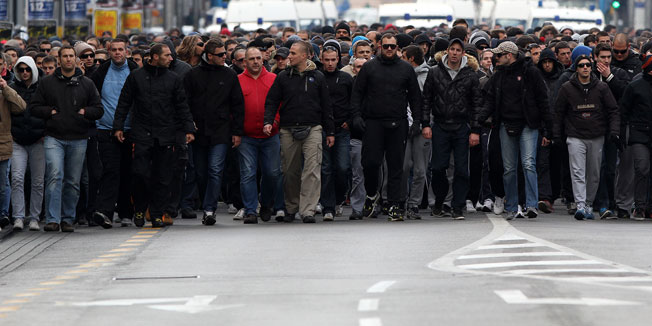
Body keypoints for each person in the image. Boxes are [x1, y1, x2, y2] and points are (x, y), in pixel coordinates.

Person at [113, 43, 195, 228]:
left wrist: (188, 129)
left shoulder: (173, 79)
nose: (171, 58)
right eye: (167, 55)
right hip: (142, 133)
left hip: (166, 134)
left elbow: (182, 106)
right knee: (140, 174)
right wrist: (118, 126)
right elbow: (124, 103)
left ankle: (157, 213)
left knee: (163, 176)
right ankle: (140, 209)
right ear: (155, 57)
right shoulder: (136, 77)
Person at [350, 33, 425, 221]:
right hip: (373, 123)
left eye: (392, 46)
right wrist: (356, 116)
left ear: (397, 48)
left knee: (396, 167)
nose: (389, 49)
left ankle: (394, 205)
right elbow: (357, 94)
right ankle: (372, 194)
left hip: (397, 123)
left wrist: (417, 121)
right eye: (386, 46)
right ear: (380, 48)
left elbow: (415, 98)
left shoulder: (406, 69)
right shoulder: (369, 68)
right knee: (370, 163)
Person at [29, 45, 103, 232]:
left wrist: (85, 112)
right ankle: (53, 218)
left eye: (71, 56)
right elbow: (35, 107)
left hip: (79, 137)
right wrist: (49, 112)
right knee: (54, 176)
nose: (68, 59)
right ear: (59, 60)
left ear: (75, 59)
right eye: (65, 56)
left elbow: (98, 109)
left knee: (72, 180)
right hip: (55, 137)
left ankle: (68, 218)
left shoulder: (86, 83)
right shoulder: (47, 83)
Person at [475, 41, 552, 220]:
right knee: (509, 168)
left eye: (499, 55)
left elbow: (543, 100)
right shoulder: (499, 75)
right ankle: (511, 205)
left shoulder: (530, 72)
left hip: (528, 124)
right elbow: (489, 100)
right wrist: (479, 120)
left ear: (509, 55)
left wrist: (548, 128)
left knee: (528, 164)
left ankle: (531, 205)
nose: (496, 59)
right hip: (505, 124)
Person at [264, 41, 334, 223]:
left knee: (312, 170)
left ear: (305, 56)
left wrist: (330, 132)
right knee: (289, 171)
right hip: (288, 129)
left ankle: (308, 210)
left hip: (313, 129)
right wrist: (268, 121)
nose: (290, 57)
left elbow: (327, 106)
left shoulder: (318, 77)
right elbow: (272, 101)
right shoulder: (282, 77)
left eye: (293, 53)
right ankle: (291, 207)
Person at [184, 39, 244, 226]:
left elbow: (238, 104)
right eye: (220, 55)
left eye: (225, 53)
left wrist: (237, 131)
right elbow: (184, 103)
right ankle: (206, 203)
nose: (224, 57)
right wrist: (188, 127)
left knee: (215, 170)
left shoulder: (229, 75)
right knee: (201, 173)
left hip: (221, 130)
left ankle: (210, 209)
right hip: (199, 131)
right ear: (209, 56)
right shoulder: (193, 75)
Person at [553, 54, 620, 220]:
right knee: (577, 171)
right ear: (576, 68)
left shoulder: (601, 88)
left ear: (592, 68)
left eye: (588, 65)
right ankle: (581, 204)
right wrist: (556, 135)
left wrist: (614, 131)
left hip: (597, 135)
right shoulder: (567, 88)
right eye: (581, 65)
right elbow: (558, 113)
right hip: (575, 135)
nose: (585, 68)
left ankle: (589, 203)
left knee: (594, 173)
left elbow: (613, 110)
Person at [424, 39, 482, 220]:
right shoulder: (434, 72)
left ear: (463, 53)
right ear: (447, 51)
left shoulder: (470, 75)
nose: (455, 53)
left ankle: (458, 205)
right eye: (452, 50)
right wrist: (426, 124)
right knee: (438, 167)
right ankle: (440, 201)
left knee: (462, 170)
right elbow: (426, 99)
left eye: (458, 50)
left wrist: (475, 130)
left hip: (461, 127)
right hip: (440, 125)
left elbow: (476, 105)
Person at [89, 37, 139, 228]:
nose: (117, 53)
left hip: (131, 130)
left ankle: (127, 212)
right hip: (105, 129)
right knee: (110, 171)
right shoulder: (101, 72)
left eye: (121, 49)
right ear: (108, 52)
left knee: (128, 172)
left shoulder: (135, 71)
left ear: (127, 51)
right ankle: (105, 212)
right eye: (114, 50)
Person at [238, 47, 285, 224]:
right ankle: (250, 210)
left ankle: (266, 203)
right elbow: (234, 108)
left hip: (270, 135)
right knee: (248, 173)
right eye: (251, 59)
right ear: (245, 62)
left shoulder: (274, 79)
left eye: (258, 58)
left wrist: (274, 122)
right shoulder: (238, 81)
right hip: (247, 136)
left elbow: (281, 104)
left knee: (272, 173)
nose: (256, 61)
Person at [9, 57, 44, 231]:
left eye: (28, 69)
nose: (24, 73)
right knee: (16, 178)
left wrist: (45, 133)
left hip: (39, 140)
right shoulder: (12, 88)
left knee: (38, 181)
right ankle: (18, 216)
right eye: (21, 69)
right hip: (17, 140)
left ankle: (35, 217)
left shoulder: (43, 88)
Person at [320, 43, 353, 221]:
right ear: (321, 60)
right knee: (326, 169)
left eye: (333, 60)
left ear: (338, 59)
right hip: (323, 129)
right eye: (327, 60)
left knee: (342, 167)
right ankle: (328, 206)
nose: (330, 63)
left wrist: (349, 121)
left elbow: (354, 102)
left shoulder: (346, 78)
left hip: (342, 129)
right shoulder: (317, 78)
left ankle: (339, 198)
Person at [401, 45, 433, 220]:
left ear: (411, 59)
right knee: (404, 167)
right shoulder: (401, 74)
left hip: (422, 128)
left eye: (404, 56)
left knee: (420, 170)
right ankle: (401, 201)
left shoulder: (428, 76)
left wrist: (425, 123)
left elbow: (429, 103)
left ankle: (414, 204)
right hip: (403, 126)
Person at [618, 55, 652, 220]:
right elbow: (624, 112)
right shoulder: (635, 87)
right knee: (642, 167)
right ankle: (639, 206)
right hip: (639, 133)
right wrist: (621, 134)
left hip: (642, 131)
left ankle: (648, 207)